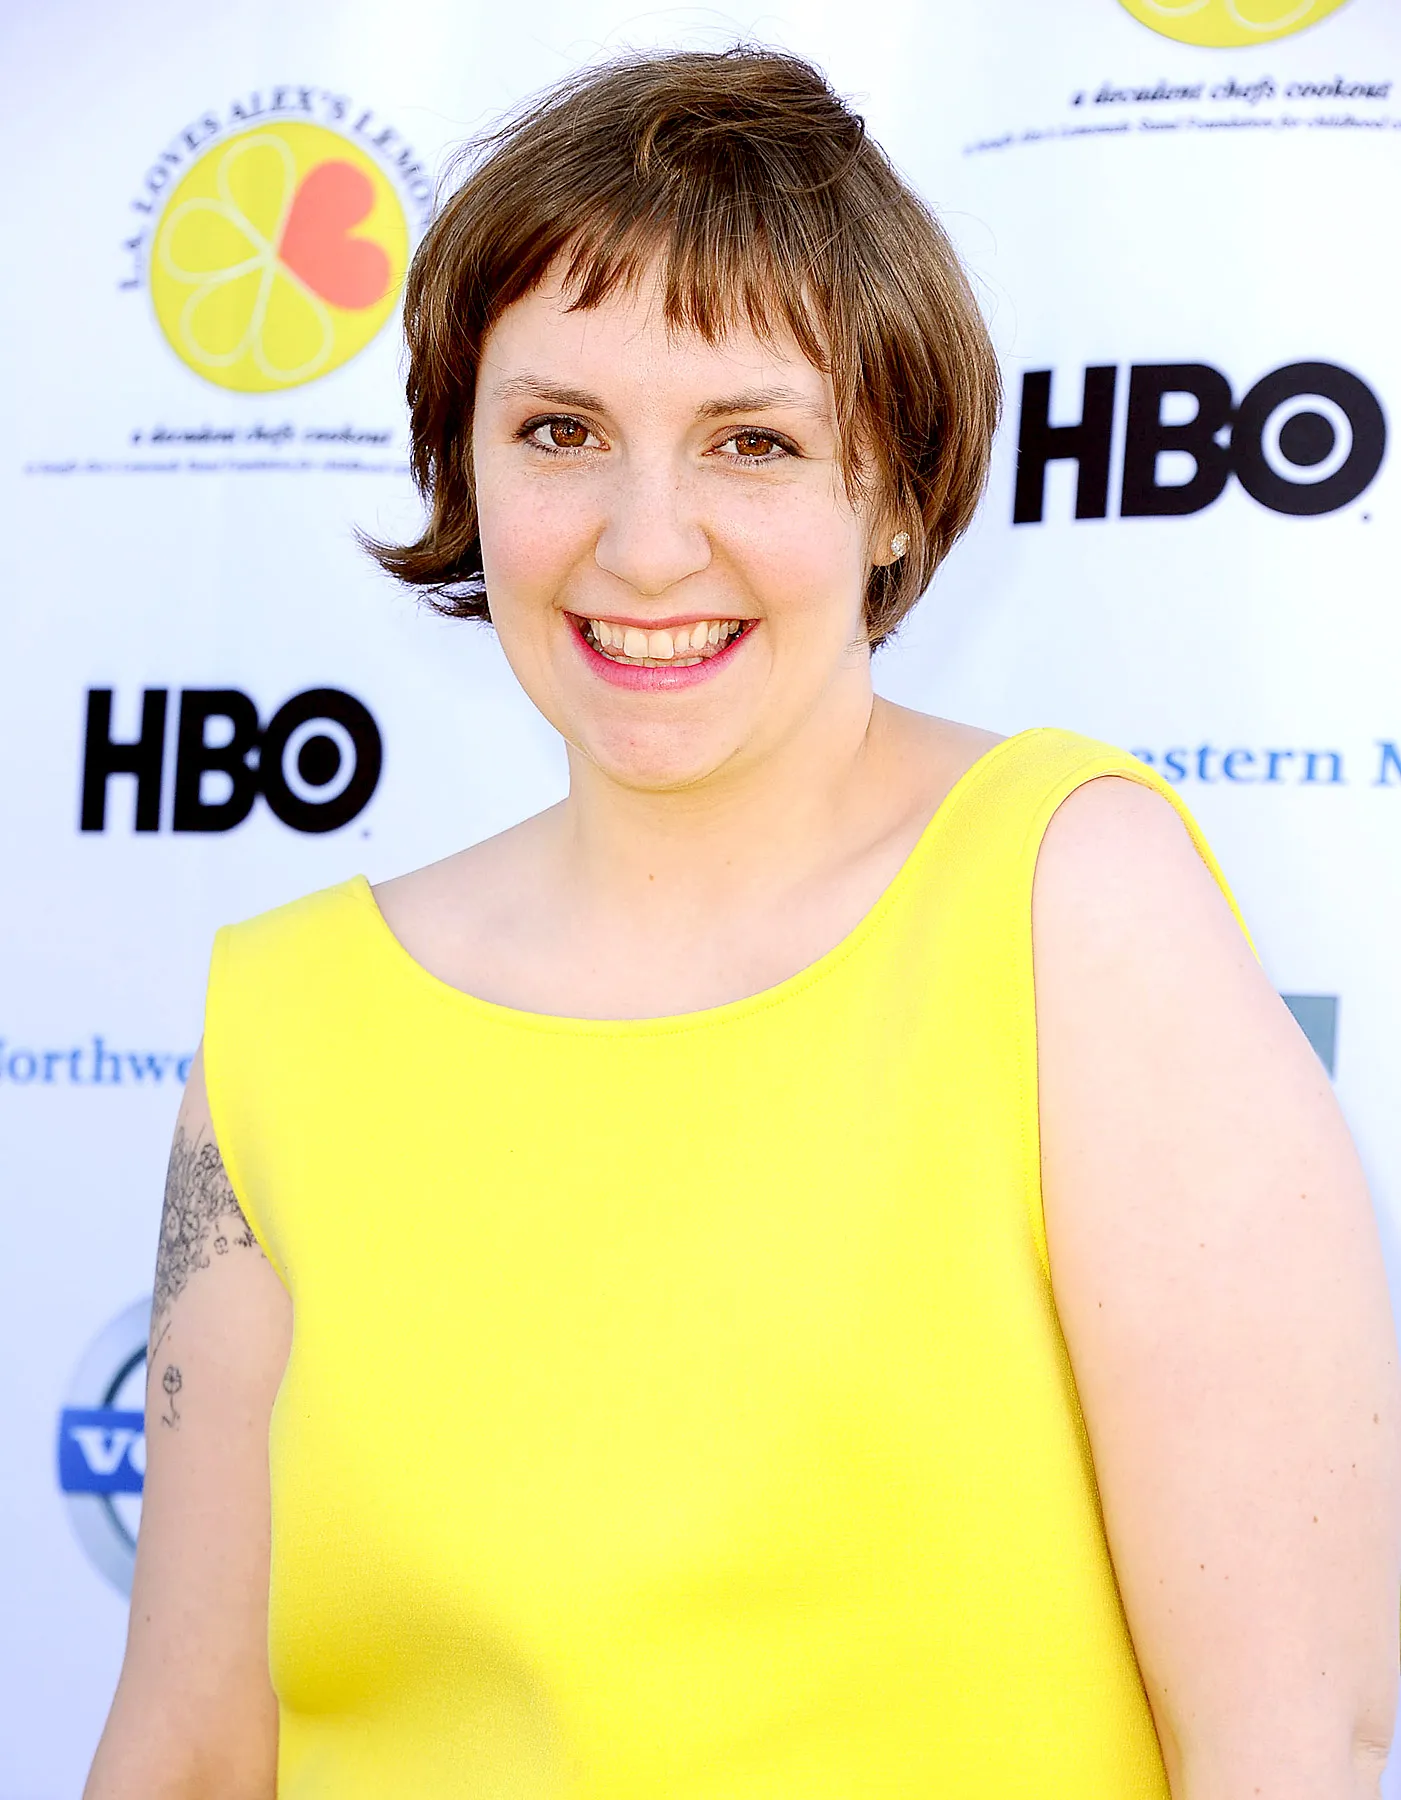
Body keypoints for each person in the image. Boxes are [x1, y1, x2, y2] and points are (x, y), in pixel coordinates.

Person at [86, 46, 1400, 1800]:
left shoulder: (1067, 901)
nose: (645, 547)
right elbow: (187, 1750)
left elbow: (1285, 1740)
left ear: (898, 492)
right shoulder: (287, 1019)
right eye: (561, 432)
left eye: (753, 443)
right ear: (465, 461)